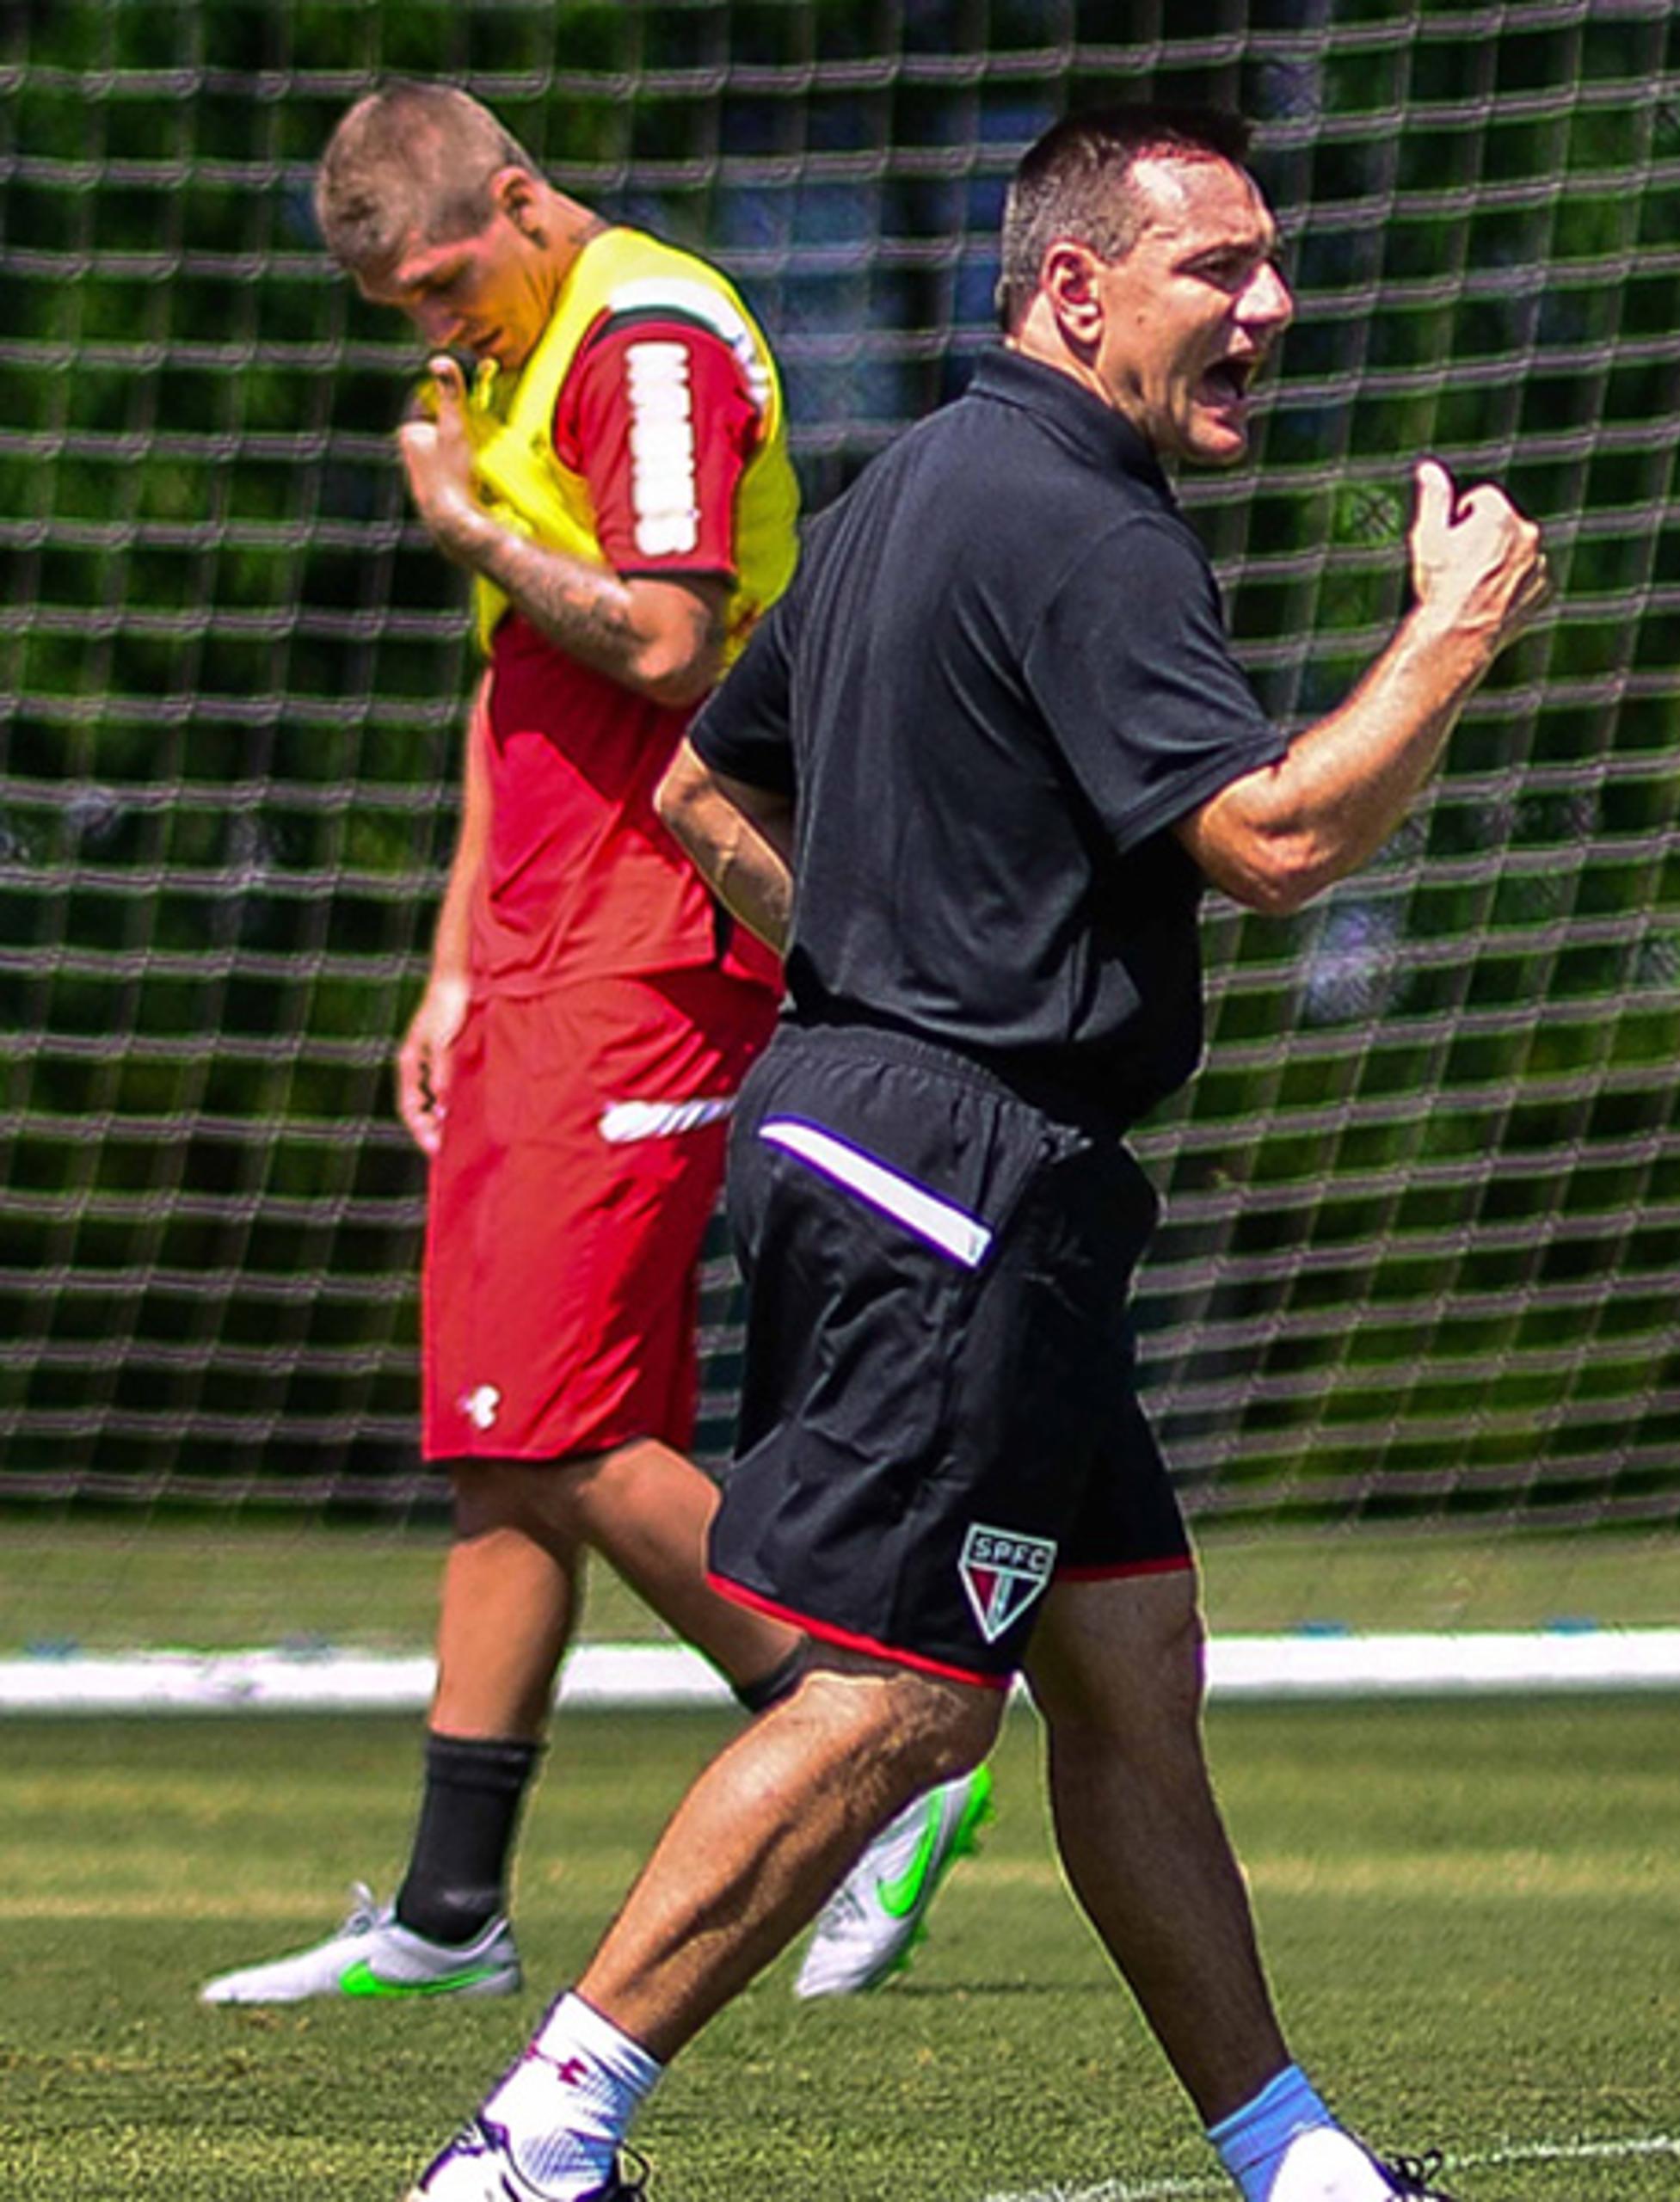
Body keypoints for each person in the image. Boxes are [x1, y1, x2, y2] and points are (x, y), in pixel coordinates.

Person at [399, 104, 1548, 2202]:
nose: (1271, 305)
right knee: (904, 1704)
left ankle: (1293, 2156)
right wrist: (1456, 627)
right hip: (959, 1177)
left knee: (1125, 1665)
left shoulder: (916, 476)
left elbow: (705, 806)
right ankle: (536, 2141)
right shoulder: (1093, 530)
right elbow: (1279, 841)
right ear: (1077, 286)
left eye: (1275, 264)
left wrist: (884, 961)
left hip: (913, 1141)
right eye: (1222, 267)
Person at [203, 82, 986, 2015]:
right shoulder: (514, 357)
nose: (434, 330)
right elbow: (516, 677)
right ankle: (451, 1908)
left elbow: (657, 640)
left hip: (663, 916)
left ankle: (868, 1733)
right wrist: (457, 957)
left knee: (556, 1413)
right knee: (494, 1434)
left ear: (522, 200)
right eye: (401, 307)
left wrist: (469, 518)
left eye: (447, 281)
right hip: (540, 931)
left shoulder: (645, 341)